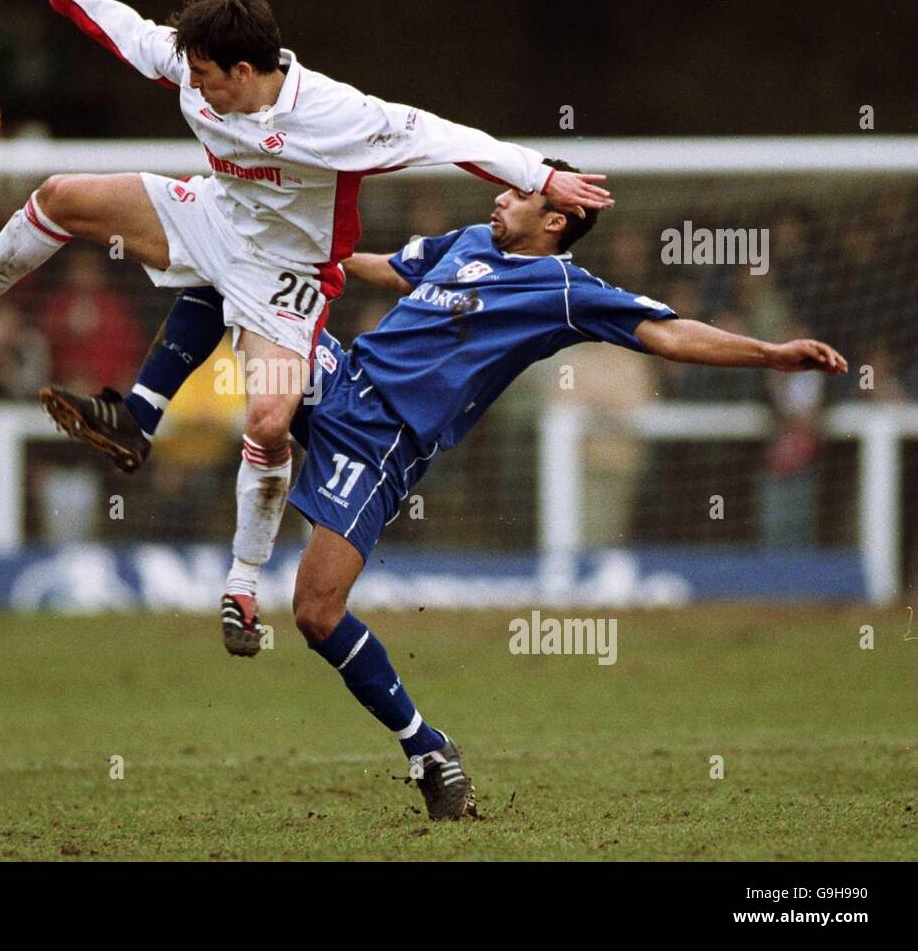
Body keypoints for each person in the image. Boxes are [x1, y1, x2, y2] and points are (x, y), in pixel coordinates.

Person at [0, 0, 614, 659]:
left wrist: (539, 176)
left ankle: (240, 585)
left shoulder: (335, 116)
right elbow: (124, 30)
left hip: (289, 276)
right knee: (62, 195)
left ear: (242, 70)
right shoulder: (191, 64)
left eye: (204, 76)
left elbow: (442, 136)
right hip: (212, 218)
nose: (190, 85)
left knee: (268, 420)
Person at [64, 161, 848, 819]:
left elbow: (669, 332)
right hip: (344, 374)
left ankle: (428, 748)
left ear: (553, 223)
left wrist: (771, 355)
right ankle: (142, 425)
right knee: (231, 270)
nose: (499, 197)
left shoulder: (565, 289)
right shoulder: (470, 241)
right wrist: (305, 261)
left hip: (382, 444)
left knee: (314, 611)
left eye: (517, 195)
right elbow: (385, 268)